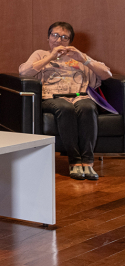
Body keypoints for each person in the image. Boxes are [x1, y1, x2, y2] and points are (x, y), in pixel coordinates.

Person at [19, 21, 112, 181]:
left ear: (69, 41)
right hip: (52, 98)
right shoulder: (41, 54)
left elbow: (107, 74)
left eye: (64, 37)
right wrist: (51, 57)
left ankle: (88, 162)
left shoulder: (78, 56)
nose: (58, 40)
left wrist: (84, 59)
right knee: (65, 107)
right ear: (48, 37)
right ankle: (75, 161)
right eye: (55, 35)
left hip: (79, 97)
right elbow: (23, 72)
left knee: (88, 107)